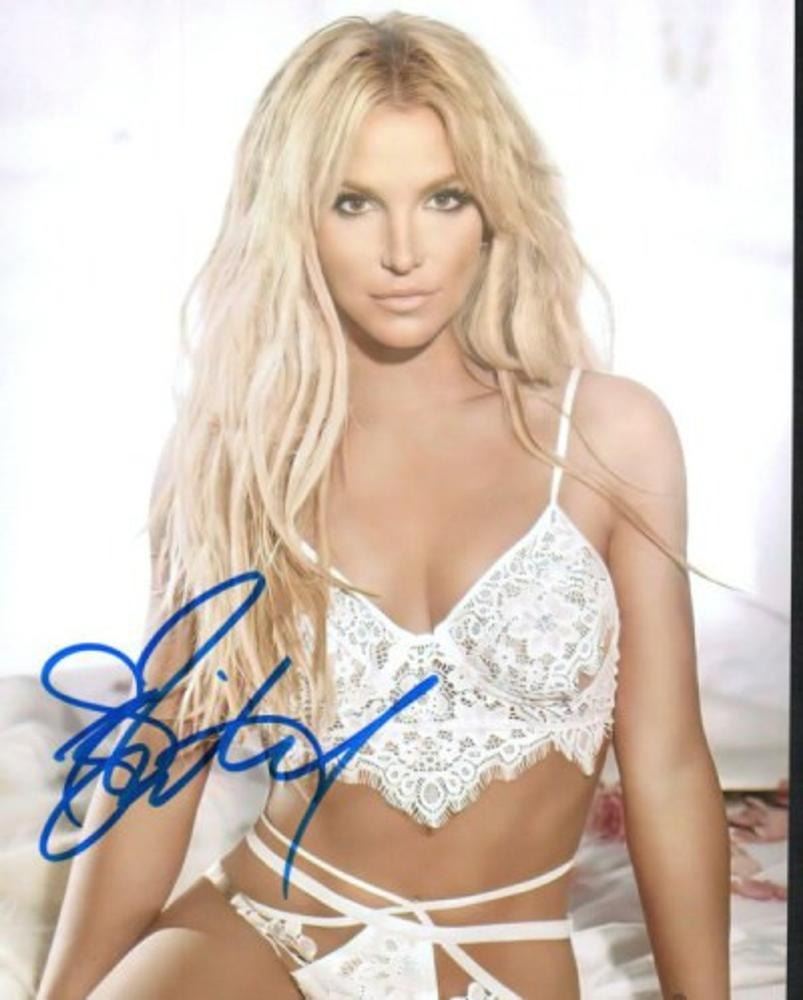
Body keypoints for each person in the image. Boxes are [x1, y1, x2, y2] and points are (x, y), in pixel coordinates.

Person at [37, 11, 732, 1000]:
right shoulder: (236, 455)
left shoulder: (608, 437)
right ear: (294, 218)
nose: (403, 250)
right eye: (353, 202)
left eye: (443, 198)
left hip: (499, 949)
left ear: (492, 209)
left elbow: (665, 762)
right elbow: (161, 754)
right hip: (267, 924)